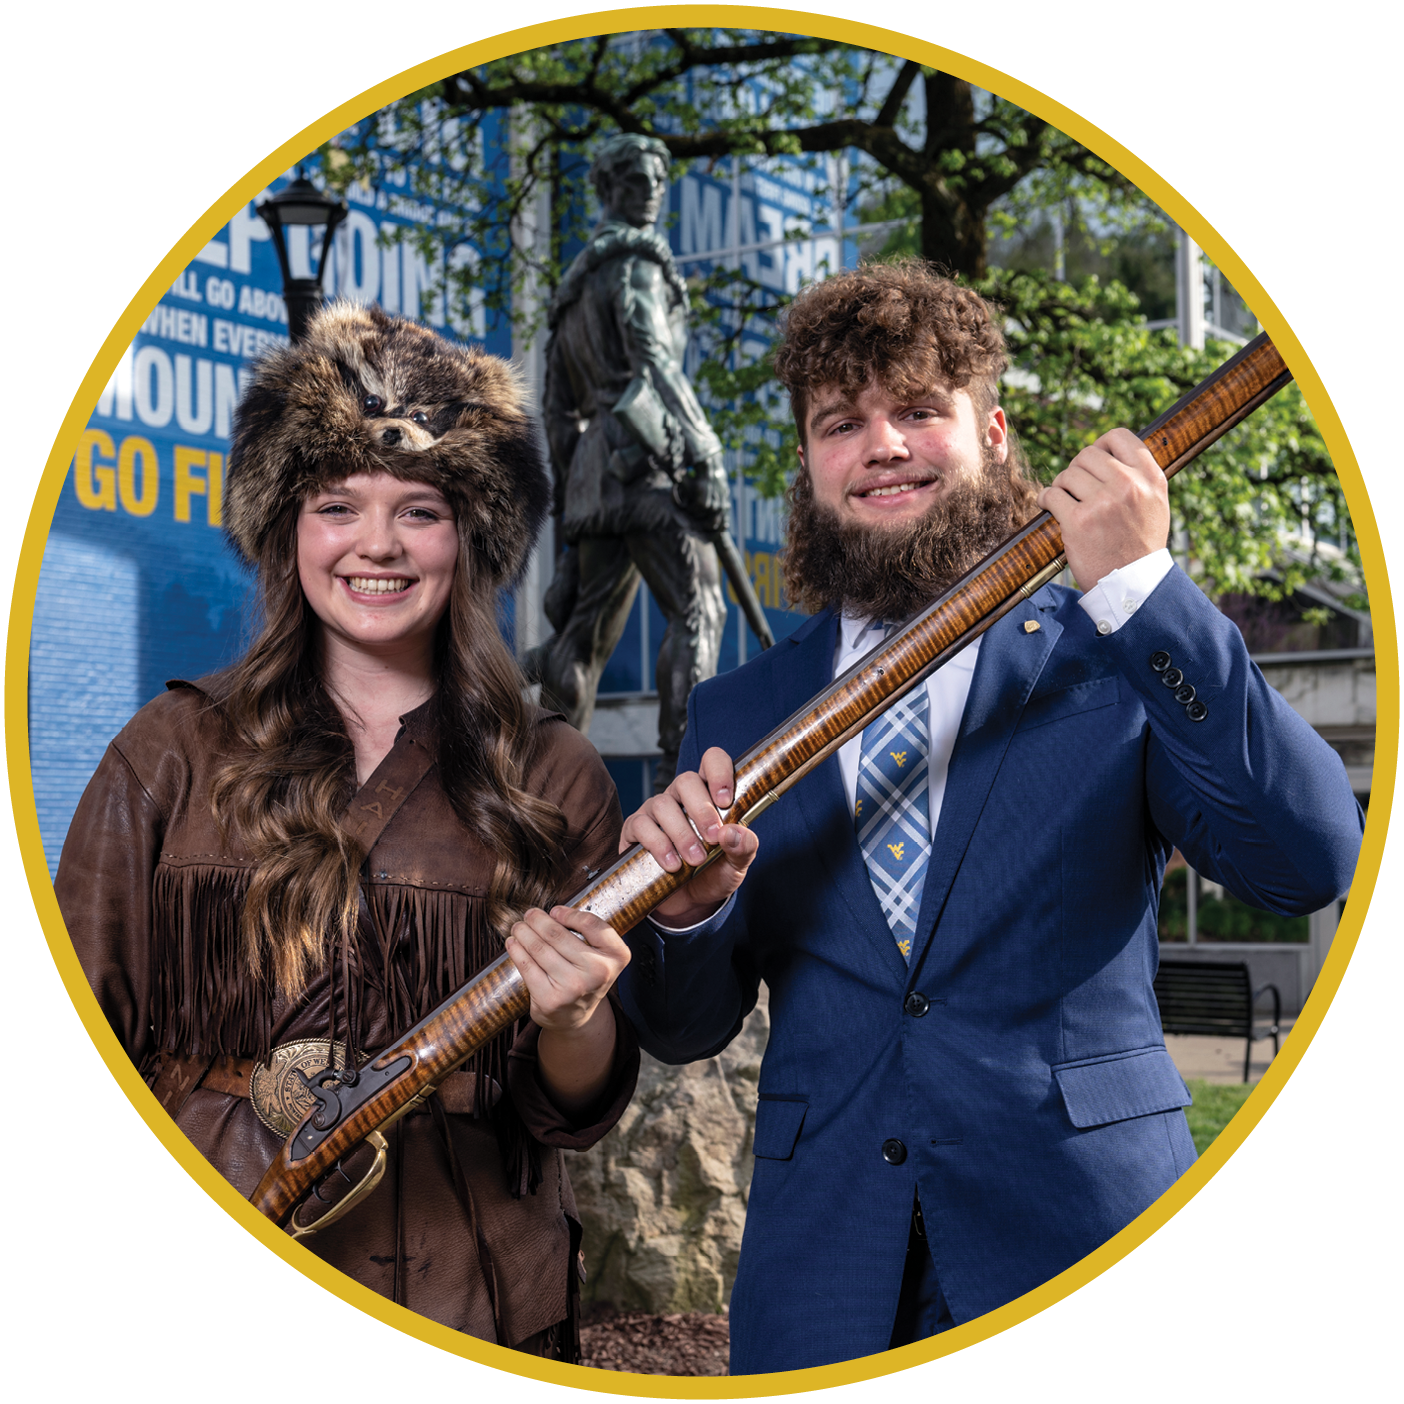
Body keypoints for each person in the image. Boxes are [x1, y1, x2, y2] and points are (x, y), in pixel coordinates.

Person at [614, 262, 1363, 1373]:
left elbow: (1308, 859)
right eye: (841, 423)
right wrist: (683, 919)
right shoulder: (742, 707)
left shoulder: (1117, 647)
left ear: (994, 432)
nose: (882, 444)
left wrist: (1146, 590)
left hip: (1085, 1243)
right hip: (825, 1275)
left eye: (919, 409)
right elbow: (684, 1027)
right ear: (811, 465)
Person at [56, 303, 638, 1359]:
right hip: (222, 1270)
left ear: (471, 536)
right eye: (338, 504)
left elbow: (575, 1110)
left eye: (420, 509)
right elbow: (76, 1048)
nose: (377, 544)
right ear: (289, 527)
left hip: (475, 1292)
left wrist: (573, 1018)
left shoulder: (553, 773)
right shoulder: (170, 750)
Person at [526, 132, 731, 789]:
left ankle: (544, 796)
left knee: (581, 641)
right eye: (638, 183)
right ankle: (688, 780)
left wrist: (575, 495)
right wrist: (705, 454)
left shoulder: (572, 292)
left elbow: (559, 416)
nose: (652, 194)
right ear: (608, 190)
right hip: (647, 461)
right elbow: (656, 363)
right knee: (700, 609)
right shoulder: (638, 266)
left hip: (593, 475)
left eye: (658, 182)